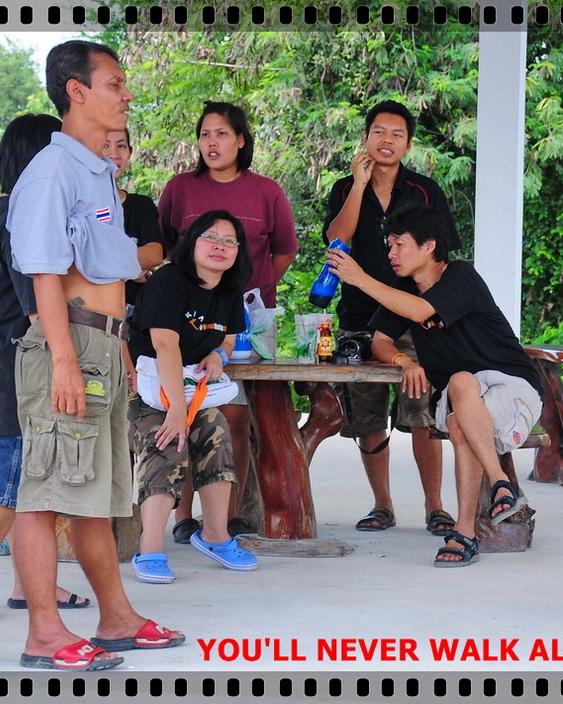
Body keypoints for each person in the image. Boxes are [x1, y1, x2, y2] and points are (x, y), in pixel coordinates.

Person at [7, 40, 182, 671]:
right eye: (114, 83)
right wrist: (63, 360)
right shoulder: (52, 170)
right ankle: (44, 634)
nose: (126, 94)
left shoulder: (97, 169)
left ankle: (117, 619)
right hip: (70, 345)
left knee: (96, 494)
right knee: (46, 492)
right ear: (77, 91)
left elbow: (103, 271)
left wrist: (118, 347)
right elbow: (44, 274)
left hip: (101, 344)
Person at [329, 205, 542, 567]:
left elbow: (419, 312)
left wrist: (360, 278)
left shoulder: (460, 275)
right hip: (461, 395)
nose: (391, 254)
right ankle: (501, 488)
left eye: (399, 245)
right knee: (460, 387)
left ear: (428, 246)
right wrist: (403, 360)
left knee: (460, 405)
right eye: (389, 245)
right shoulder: (403, 287)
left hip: (510, 385)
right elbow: (380, 341)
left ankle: (467, 528)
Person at [0, 113, 91, 627]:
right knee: (5, 478)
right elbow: (39, 311)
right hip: (16, 365)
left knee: (26, 482)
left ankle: (27, 585)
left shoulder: (7, 211)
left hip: (10, 362)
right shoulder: (19, 219)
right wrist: (73, 363)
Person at [158, 101, 298, 543]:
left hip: (249, 319)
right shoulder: (180, 189)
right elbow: (165, 248)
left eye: (221, 133)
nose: (211, 142)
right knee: (186, 408)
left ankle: (230, 514)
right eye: (204, 134)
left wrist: (249, 288)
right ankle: (184, 516)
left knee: (237, 416)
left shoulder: (266, 191)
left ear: (240, 140)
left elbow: (285, 250)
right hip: (189, 318)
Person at [323, 100, 459, 536]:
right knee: (367, 417)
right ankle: (382, 505)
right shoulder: (345, 189)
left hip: (414, 318)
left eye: (397, 134)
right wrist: (359, 186)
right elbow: (337, 241)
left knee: (423, 413)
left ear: (408, 144)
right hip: (359, 317)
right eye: (379, 131)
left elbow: (441, 252)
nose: (387, 140)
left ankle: (435, 507)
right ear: (366, 138)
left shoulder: (424, 191)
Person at [127, 210, 257, 582]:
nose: (220, 246)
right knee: (168, 438)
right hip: (147, 389)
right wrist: (175, 412)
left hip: (190, 390)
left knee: (216, 427)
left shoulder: (229, 289)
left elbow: (228, 339)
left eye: (229, 241)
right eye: (210, 237)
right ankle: (150, 547)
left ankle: (215, 535)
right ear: (191, 243)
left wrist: (218, 356)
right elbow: (165, 347)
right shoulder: (168, 281)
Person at [102, 128, 164, 315]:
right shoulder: (80, 205)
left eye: (121, 146)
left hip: (136, 315)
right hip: (93, 313)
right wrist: (132, 269)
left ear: (130, 152)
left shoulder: (141, 205)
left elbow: (155, 254)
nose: (114, 153)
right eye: (105, 145)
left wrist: (107, 265)